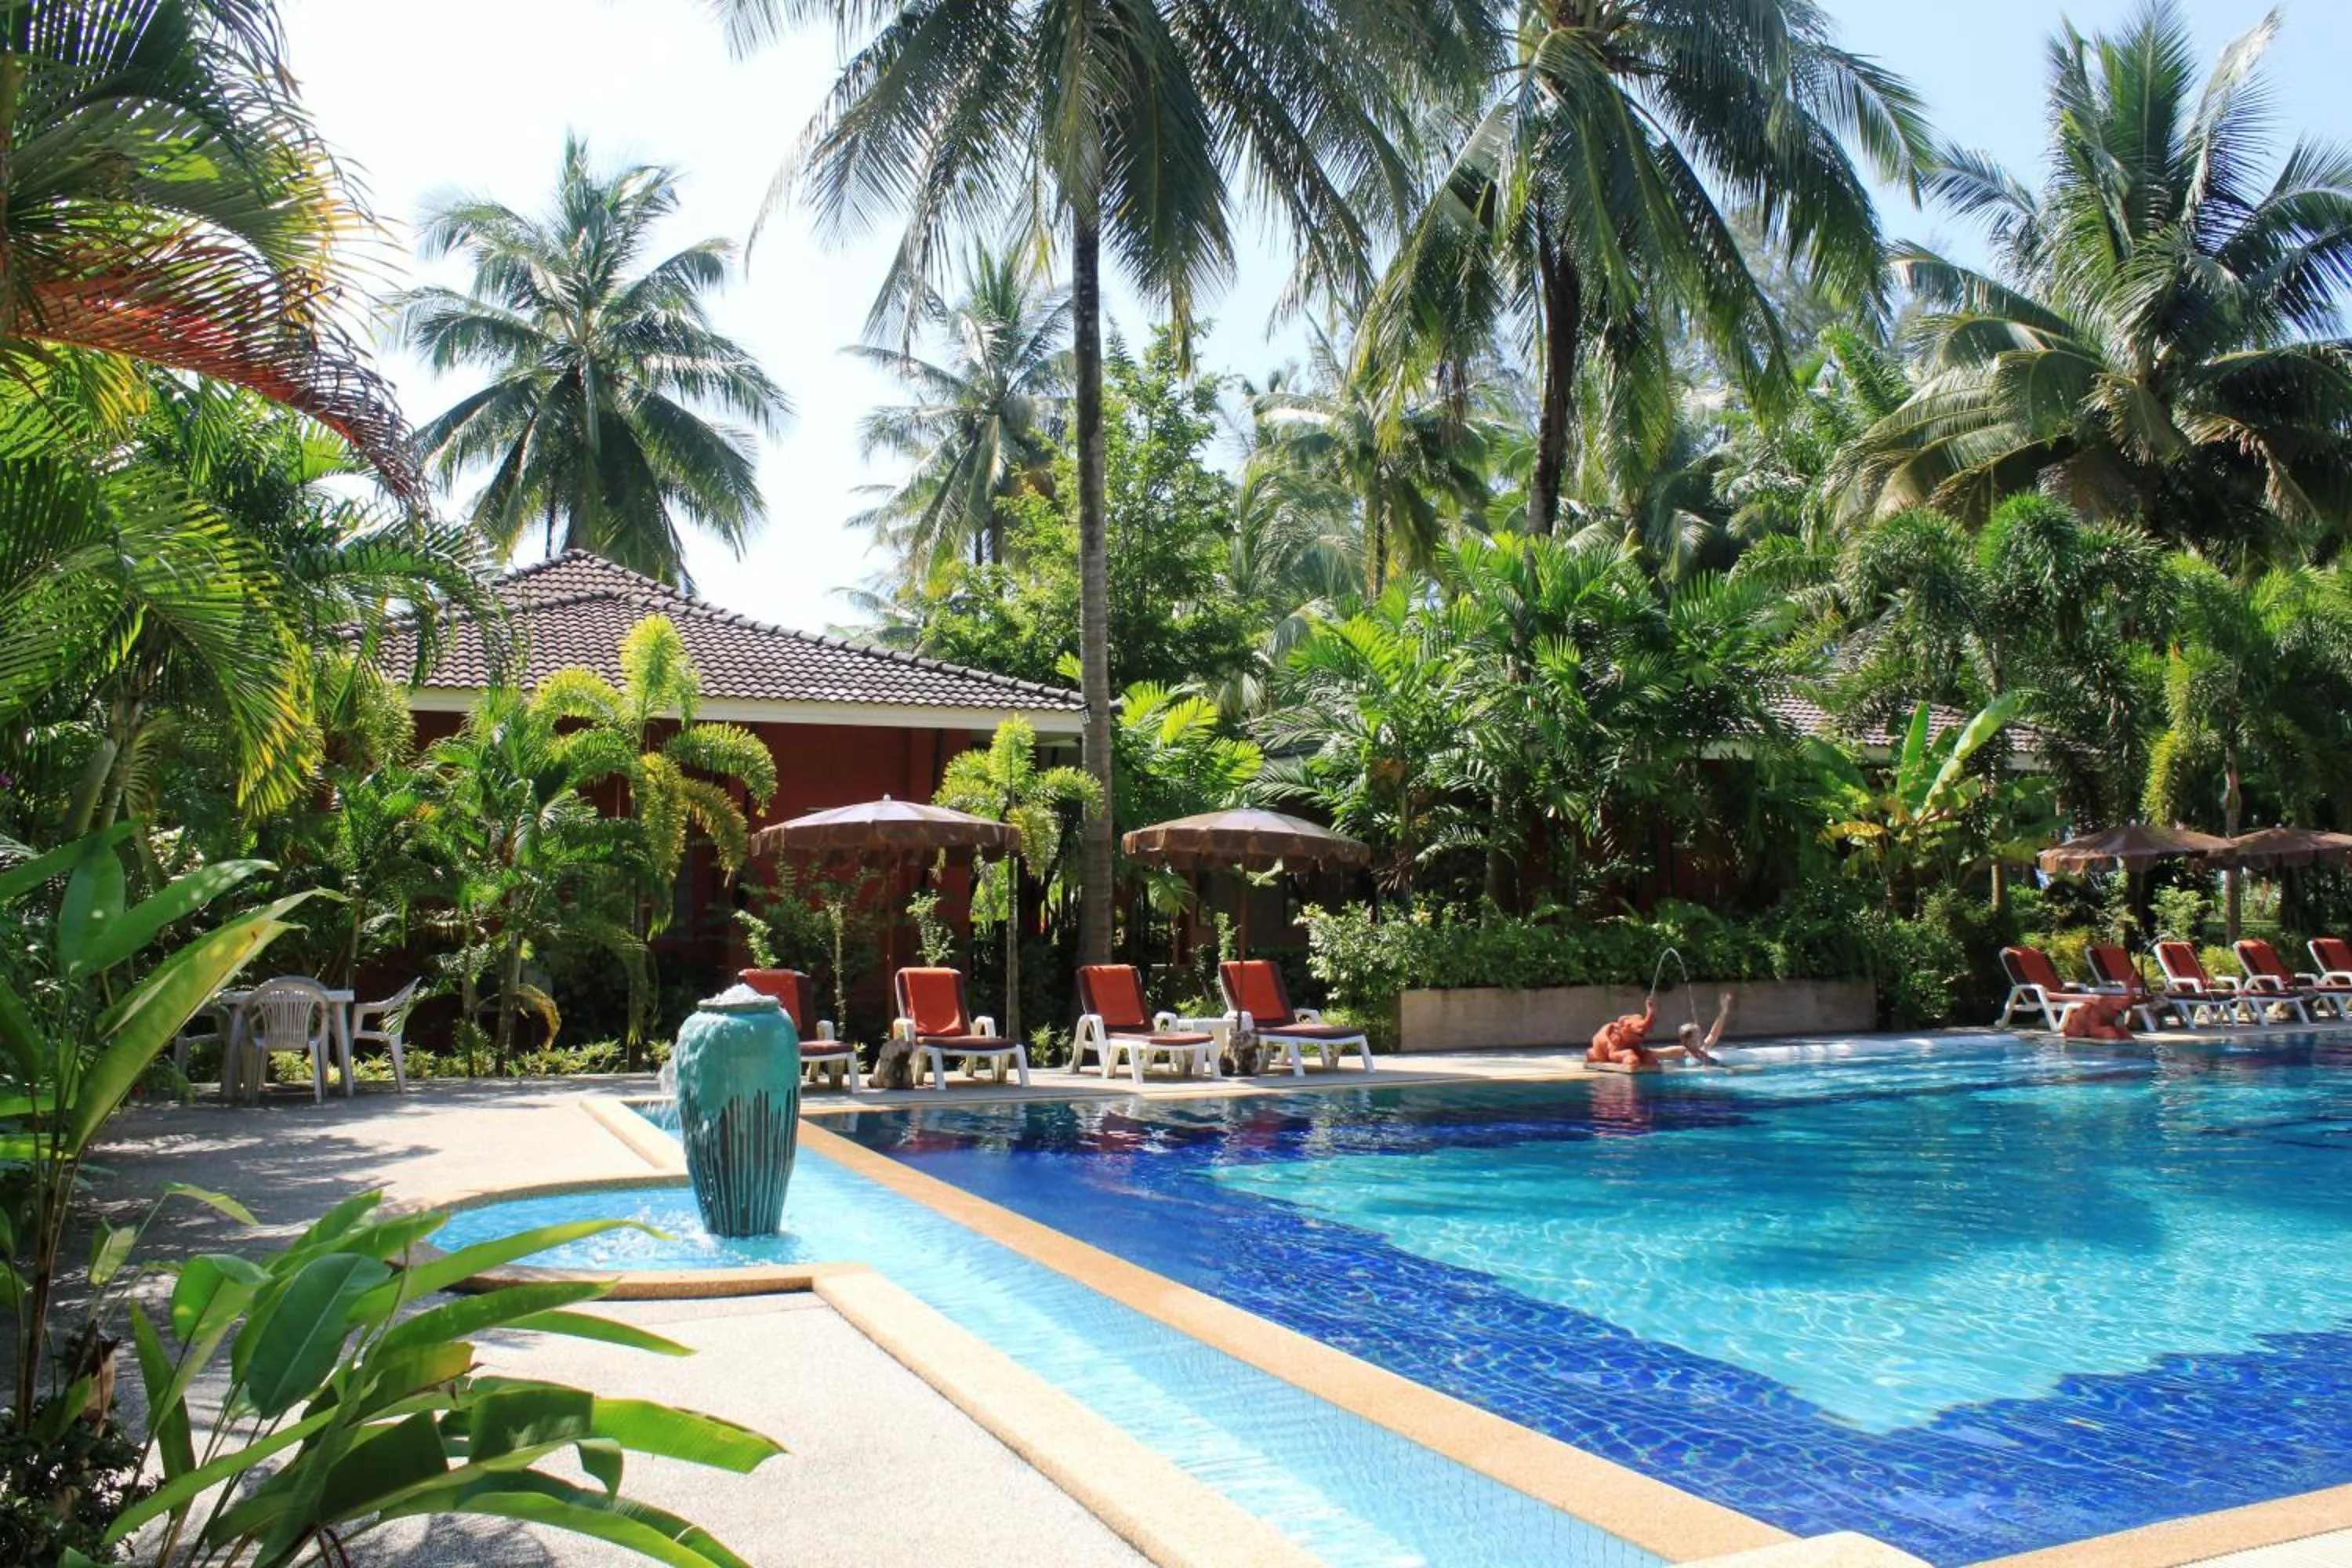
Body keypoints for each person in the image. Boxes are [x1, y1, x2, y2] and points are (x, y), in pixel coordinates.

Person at [1588, 990, 1735, 1071]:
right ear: (1687, 1041)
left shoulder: (1703, 1049)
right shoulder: (1682, 1051)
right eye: (1697, 1036)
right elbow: (1654, 1053)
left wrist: (1723, 1012)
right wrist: (1633, 1054)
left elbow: (1713, 1035)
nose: (1701, 1037)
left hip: (1716, 1073)